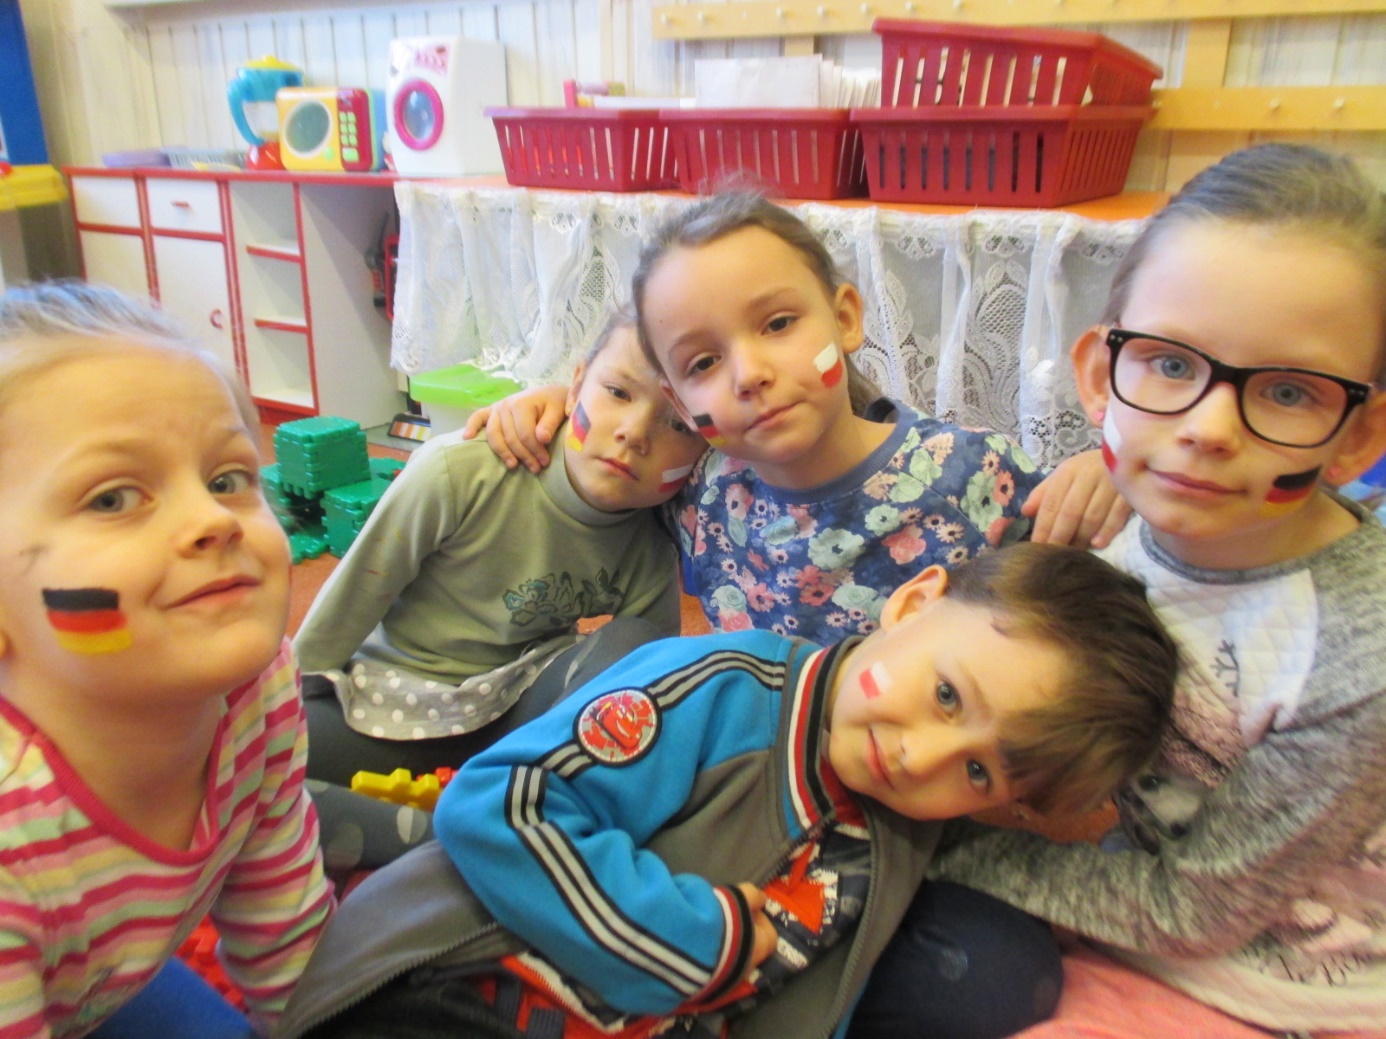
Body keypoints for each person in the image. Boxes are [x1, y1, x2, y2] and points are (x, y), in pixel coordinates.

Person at [860, 142, 1386, 1039]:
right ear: (1102, 377)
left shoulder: (1355, 656)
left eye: (1288, 392)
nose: (1208, 429)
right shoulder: (1134, 510)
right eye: (1172, 366)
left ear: (1358, 437)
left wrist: (923, 845)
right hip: (1137, 894)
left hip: (1271, 981)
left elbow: (1198, 911)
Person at [270, 541, 1179, 1039]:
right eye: (946, 694)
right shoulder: (721, 687)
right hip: (454, 986)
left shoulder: (907, 832)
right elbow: (500, 801)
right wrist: (695, 940)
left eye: (976, 771)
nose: (922, 756)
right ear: (910, 603)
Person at [463, 191, 1129, 648]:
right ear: (679, 401)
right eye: (703, 362)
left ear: (845, 319)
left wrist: (1105, 478)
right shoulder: (699, 489)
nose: (748, 373)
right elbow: (603, 463)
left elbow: (1109, 589)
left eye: (778, 324)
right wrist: (551, 404)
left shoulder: (974, 472)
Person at [0, 282, 333, 1038]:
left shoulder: (254, 687)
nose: (213, 518)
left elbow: (289, 937)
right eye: (113, 498)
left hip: (90, 985)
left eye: (227, 480)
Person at [294, 309, 706, 868]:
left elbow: (648, 695)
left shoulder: (652, 543)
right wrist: (280, 713)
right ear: (575, 386)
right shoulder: (457, 471)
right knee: (243, 771)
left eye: (678, 425)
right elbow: (347, 606)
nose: (634, 433)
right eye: (617, 392)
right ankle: (476, 841)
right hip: (390, 703)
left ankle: (476, 835)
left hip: (517, 721)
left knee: (637, 654)